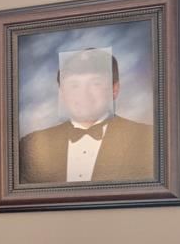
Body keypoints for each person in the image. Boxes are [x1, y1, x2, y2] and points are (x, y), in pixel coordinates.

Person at [17, 46, 155, 184]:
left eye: (95, 84)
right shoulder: (31, 145)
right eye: (74, 85)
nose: (84, 94)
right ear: (62, 92)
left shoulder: (148, 137)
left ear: (114, 89)